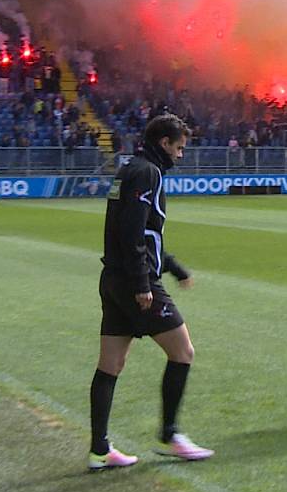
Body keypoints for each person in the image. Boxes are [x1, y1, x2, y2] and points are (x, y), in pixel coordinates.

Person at [88, 114, 213, 470]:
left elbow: (141, 233)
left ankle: (99, 450)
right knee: (183, 351)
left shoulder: (130, 169)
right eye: (179, 148)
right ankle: (171, 435)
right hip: (133, 281)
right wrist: (143, 283)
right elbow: (132, 231)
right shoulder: (148, 173)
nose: (181, 155)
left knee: (110, 364)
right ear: (164, 144)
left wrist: (173, 268)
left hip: (113, 279)